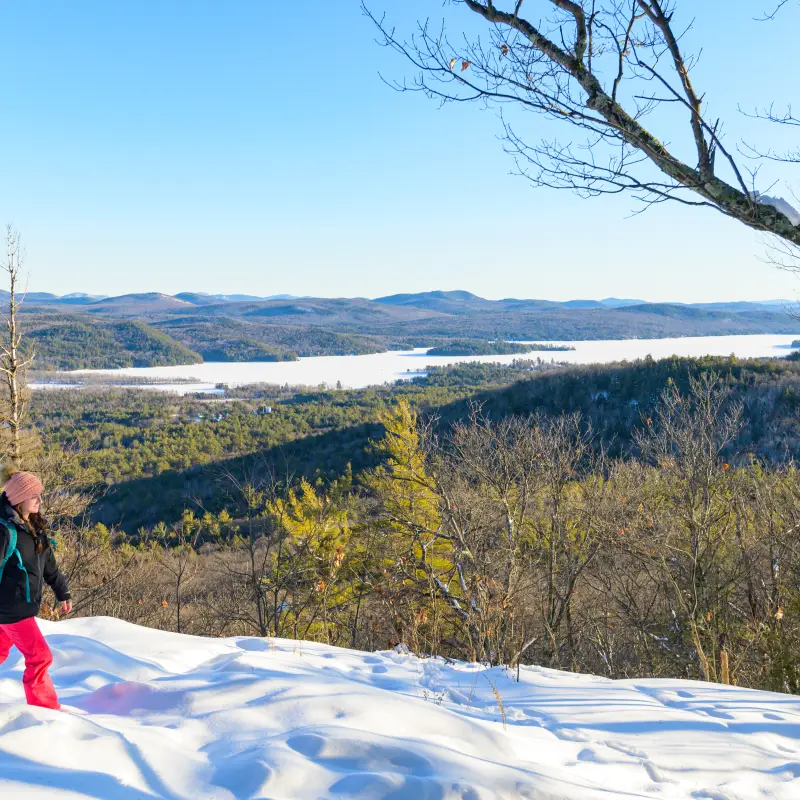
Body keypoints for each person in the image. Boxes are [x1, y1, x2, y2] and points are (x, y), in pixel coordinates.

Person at [0, 468, 71, 710]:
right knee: (40, 657)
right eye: (35, 496)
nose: (40, 500)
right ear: (19, 499)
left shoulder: (35, 527)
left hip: (16, 607)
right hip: (12, 609)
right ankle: (44, 711)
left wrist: (62, 592)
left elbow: (48, 565)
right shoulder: (4, 531)